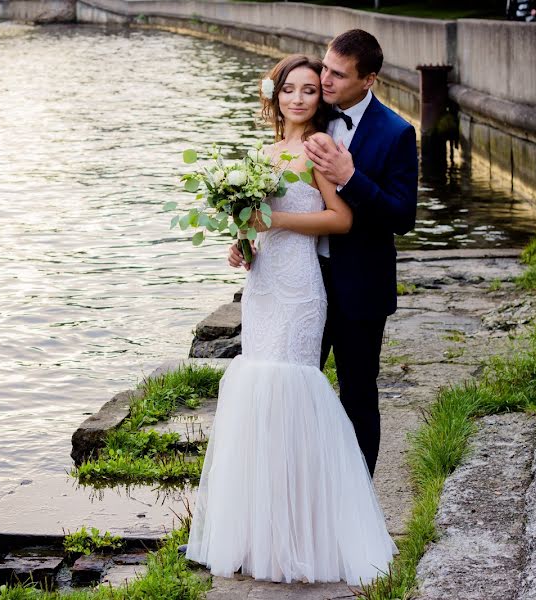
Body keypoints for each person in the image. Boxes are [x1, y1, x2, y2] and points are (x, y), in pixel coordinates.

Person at [185, 53, 397, 585]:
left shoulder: (319, 148)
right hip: (263, 286)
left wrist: (273, 220)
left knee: (293, 392)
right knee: (257, 393)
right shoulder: (261, 153)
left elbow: (341, 218)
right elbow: (254, 227)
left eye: (309, 90)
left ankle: (306, 533)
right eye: (289, 90)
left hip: (301, 287)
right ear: (274, 95)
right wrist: (244, 246)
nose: (299, 99)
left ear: (319, 98)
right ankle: (261, 533)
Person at [232, 29, 418, 477]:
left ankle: (357, 505)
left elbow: (402, 217)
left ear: (368, 80)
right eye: (325, 67)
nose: (325, 78)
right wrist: (245, 239)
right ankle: (295, 493)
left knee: (357, 395)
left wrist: (352, 177)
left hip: (358, 286)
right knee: (287, 391)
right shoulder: (312, 110)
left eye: (337, 74)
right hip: (298, 279)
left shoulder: (395, 133)